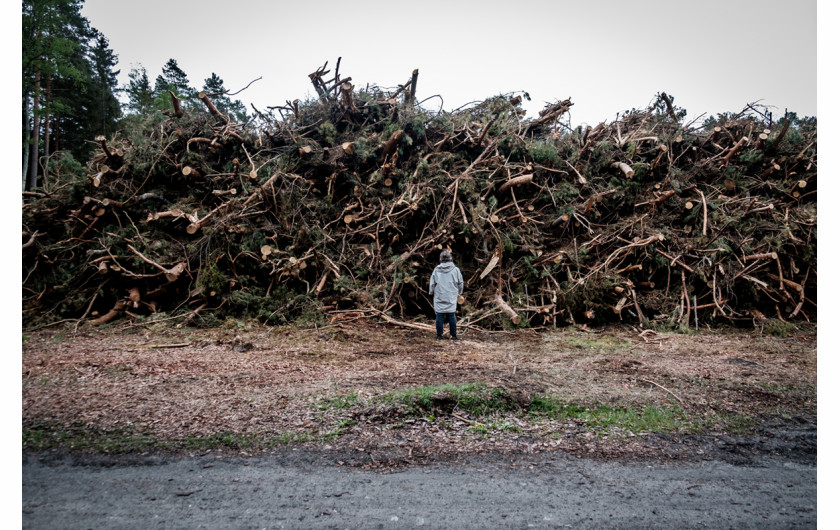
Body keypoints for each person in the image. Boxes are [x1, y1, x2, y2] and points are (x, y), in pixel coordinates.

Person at [429, 250, 464, 340]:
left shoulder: (437, 270)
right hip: (451, 296)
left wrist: (431, 292)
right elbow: (460, 283)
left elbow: (432, 283)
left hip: (439, 296)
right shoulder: (456, 270)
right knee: (451, 315)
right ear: (450, 259)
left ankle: (439, 335)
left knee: (439, 315)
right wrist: (460, 292)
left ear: (440, 259)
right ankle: (454, 336)